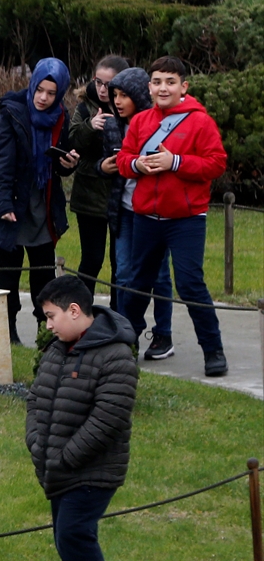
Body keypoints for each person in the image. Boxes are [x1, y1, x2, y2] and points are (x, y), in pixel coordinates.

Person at [27, 275, 137, 561]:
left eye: (51, 316)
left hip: (92, 470)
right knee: (66, 543)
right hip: (57, 468)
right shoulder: (58, 349)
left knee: (74, 535)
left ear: (74, 311)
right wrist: (36, 444)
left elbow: (110, 417)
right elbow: (35, 399)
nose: (48, 325)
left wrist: (65, 456)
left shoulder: (116, 354)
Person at [115, 56, 228, 376]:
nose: (163, 88)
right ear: (149, 87)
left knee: (191, 284)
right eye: (157, 81)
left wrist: (175, 162)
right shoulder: (139, 122)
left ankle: (213, 350)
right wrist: (138, 165)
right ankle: (123, 347)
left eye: (170, 82)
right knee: (138, 284)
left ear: (183, 87)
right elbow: (124, 160)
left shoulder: (200, 122)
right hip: (146, 217)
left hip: (187, 219)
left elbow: (216, 164)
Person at [0, 57, 79, 345]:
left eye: (51, 93)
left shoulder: (60, 116)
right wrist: (3, 205)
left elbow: (59, 159)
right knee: (7, 275)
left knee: (44, 275)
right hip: (11, 205)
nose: (43, 97)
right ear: (32, 85)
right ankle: (6, 332)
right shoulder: (11, 114)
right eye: (40, 89)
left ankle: (47, 331)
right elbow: (1, 163)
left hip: (42, 207)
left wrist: (68, 163)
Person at [99, 67, 175, 360]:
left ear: (140, 96)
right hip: (125, 211)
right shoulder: (112, 127)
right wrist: (104, 167)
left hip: (156, 213)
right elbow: (109, 166)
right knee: (124, 273)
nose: (117, 101)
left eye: (124, 95)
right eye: (115, 95)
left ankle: (163, 334)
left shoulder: (161, 126)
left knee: (158, 275)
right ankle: (126, 332)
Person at [68, 55, 128, 301]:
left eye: (109, 84)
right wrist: (91, 126)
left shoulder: (129, 106)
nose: (103, 90)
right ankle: (83, 316)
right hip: (89, 197)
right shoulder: (84, 106)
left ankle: (118, 319)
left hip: (121, 197)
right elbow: (73, 144)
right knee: (91, 261)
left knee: (120, 264)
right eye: (98, 82)